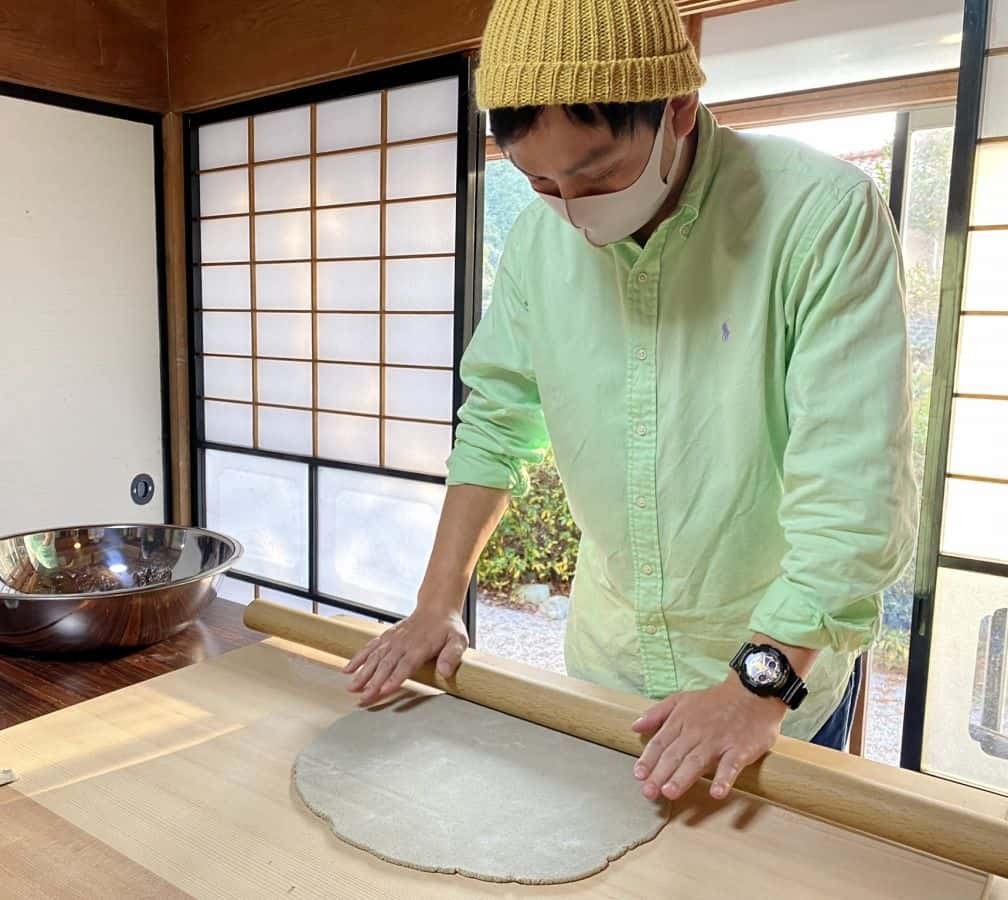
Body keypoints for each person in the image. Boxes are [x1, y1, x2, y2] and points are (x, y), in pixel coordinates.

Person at [345, 0, 916, 802]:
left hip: (774, 683)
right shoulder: (541, 242)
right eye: (542, 182)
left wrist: (755, 690)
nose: (574, 213)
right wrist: (435, 605)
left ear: (678, 108)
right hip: (606, 668)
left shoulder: (819, 217)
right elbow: (496, 423)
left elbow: (853, 499)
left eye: (598, 176)